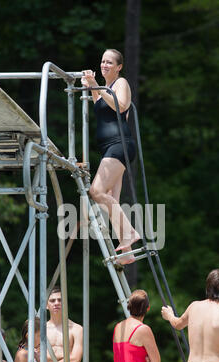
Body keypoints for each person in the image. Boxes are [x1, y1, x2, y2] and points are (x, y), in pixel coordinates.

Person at [82, 49, 140, 265]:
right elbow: (99, 106)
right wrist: (92, 86)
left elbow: (121, 105)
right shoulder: (104, 87)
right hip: (110, 147)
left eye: (109, 62)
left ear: (118, 67)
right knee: (110, 198)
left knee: (95, 191)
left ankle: (131, 232)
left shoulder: (120, 83)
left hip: (119, 145)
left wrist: (96, 86)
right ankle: (127, 252)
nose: (104, 64)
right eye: (102, 61)